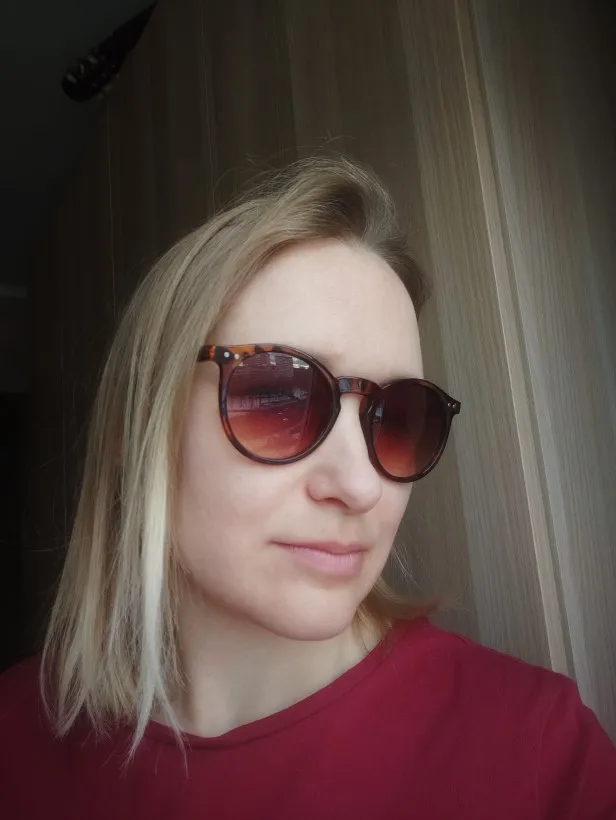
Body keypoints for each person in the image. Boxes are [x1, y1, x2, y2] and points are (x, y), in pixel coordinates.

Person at [1, 157, 615, 819]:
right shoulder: (16, 741)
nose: (361, 485)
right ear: (138, 424)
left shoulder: (538, 754)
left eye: (399, 418)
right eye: (279, 395)